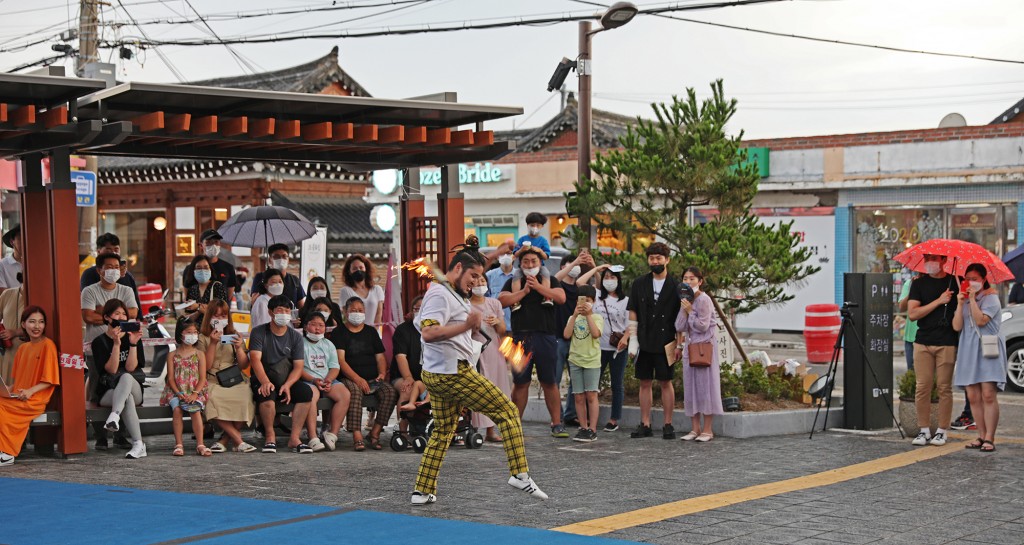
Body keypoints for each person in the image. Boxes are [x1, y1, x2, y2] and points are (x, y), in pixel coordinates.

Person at [410, 247, 547, 505]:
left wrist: (508, 349)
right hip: (452, 372)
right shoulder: (440, 294)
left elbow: (473, 335)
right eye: (473, 276)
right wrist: (465, 325)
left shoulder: (457, 296)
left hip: (442, 371)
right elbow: (428, 333)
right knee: (507, 410)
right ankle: (519, 473)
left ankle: (422, 490)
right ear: (458, 269)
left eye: (479, 277)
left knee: (443, 431)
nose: (475, 282)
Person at [498, 246, 567, 437]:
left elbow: (561, 298)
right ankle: (515, 426)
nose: (530, 265)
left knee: (549, 381)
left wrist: (539, 288)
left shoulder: (550, 280)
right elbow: (501, 300)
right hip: (519, 337)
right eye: (526, 261)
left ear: (540, 263)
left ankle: (556, 423)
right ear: (520, 264)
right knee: (520, 382)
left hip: (546, 336)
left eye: (534, 261)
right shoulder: (514, 281)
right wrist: (525, 291)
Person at [627, 242, 681, 440]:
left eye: (659, 258)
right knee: (644, 382)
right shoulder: (639, 283)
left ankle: (668, 424)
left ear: (667, 260)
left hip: (667, 341)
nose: (655, 261)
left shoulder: (676, 286)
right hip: (643, 339)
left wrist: (680, 343)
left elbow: (681, 317)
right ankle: (645, 423)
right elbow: (632, 310)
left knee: (666, 381)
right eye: (652, 258)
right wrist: (633, 338)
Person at [248, 295, 315, 454]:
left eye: (287, 311)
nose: (284, 314)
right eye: (280, 310)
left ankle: (295, 438)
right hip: (263, 377)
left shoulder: (295, 336)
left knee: (306, 393)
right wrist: (264, 381)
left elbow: (298, 366)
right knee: (266, 393)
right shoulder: (259, 332)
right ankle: (270, 436)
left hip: (286, 378)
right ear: (271, 312)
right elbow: (255, 359)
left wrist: (288, 385)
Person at [907, 253, 959, 447]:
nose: (930, 262)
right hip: (923, 341)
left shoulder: (955, 282)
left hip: (947, 341)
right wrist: (939, 301)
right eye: (927, 258)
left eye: (934, 258)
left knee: (944, 387)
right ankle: (923, 430)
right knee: (923, 386)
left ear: (944, 261)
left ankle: (942, 430)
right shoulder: (918, 284)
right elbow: (913, 314)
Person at [952, 264, 1005, 453]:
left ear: (983, 279)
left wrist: (972, 300)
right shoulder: (964, 299)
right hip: (968, 349)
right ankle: (981, 435)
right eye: (968, 278)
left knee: (988, 394)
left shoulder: (991, 298)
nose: (971, 282)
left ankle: (990, 437)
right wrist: (960, 303)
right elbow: (957, 326)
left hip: (987, 349)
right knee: (973, 396)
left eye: (975, 278)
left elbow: (981, 320)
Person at [332, 297, 397, 451]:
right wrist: (358, 379)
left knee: (389, 392)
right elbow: (340, 360)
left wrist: (381, 374)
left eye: (360, 310)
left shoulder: (371, 332)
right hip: (349, 377)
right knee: (354, 391)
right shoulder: (339, 332)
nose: (357, 313)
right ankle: (357, 435)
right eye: (353, 310)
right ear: (345, 312)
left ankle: (374, 433)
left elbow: (380, 356)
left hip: (373, 378)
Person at [0, 307, 59, 466]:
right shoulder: (23, 348)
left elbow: (50, 380)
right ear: (23, 325)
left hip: (36, 399)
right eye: (32, 322)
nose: (37, 326)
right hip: (20, 396)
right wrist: (6, 390)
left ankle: (8, 453)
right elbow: (17, 382)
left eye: (41, 322)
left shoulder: (48, 345)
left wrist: (30, 391)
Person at [90, 299, 147, 459]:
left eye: (124, 314)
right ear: (107, 317)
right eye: (117, 314)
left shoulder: (133, 337)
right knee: (126, 398)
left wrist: (133, 344)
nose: (121, 317)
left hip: (134, 387)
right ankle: (138, 444)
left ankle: (114, 416)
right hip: (109, 390)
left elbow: (130, 368)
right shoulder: (99, 342)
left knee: (127, 377)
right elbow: (112, 370)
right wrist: (116, 344)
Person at [576, 264, 630, 432]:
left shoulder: (625, 300)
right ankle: (587, 420)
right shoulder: (597, 295)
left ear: (619, 280)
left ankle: (614, 419)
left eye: (612, 277)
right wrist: (597, 268)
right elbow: (580, 282)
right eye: (606, 277)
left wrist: (626, 339)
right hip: (597, 348)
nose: (609, 280)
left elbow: (631, 324)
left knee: (617, 384)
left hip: (617, 349)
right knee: (592, 385)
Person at [198, 300, 257, 453]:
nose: (219, 319)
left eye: (223, 315)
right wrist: (212, 343)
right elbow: (206, 366)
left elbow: (244, 365)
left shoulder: (234, 334)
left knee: (245, 396)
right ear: (209, 316)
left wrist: (239, 348)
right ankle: (238, 441)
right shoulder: (202, 337)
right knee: (212, 399)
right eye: (216, 315)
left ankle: (224, 439)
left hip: (233, 377)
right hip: (211, 378)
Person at [675, 267, 724, 442]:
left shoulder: (704, 300)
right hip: (690, 348)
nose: (688, 282)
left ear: (700, 281)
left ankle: (708, 430)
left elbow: (703, 326)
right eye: (685, 279)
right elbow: (679, 326)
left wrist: (690, 311)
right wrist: (684, 308)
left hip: (704, 348)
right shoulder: (685, 300)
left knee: (706, 388)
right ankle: (694, 428)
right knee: (691, 389)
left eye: (692, 279)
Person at [552, 252, 594, 428]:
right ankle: (556, 416)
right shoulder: (557, 286)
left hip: (576, 339)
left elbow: (595, 286)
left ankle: (570, 414)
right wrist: (575, 261)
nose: (575, 267)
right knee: (555, 379)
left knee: (575, 381)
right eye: (570, 264)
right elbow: (556, 277)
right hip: (557, 339)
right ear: (564, 266)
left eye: (577, 264)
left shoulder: (578, 287)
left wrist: (594, 266)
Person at [160, 319, 211, 457]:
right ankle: (178, 444)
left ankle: (200, 444)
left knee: (195, 411)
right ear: (180, 334)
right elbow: (170, 378)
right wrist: (179, 393)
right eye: (189, 332)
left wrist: (195, 393)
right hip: (176, 391)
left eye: (195, 332)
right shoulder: (172, 355)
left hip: (195, 390)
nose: (193, 335)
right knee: (177, 410)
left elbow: (202, 378)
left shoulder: (200, 354)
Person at [299, 312, 350, 452]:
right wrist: (314, 380)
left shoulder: (328, 344)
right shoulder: (300, 344)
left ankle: (332, 434)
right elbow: (298, 368)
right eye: (313, 325)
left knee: (344, 394)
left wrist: (329, 379)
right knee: (310, 397)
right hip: (308, 381)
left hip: (328, 380)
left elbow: (335, 366)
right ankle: (313, 437)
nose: (317, 329)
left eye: (321, 325)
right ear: (305, 327)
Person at [470, 277, 511, 443]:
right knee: (478, 388)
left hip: (494, 349)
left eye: (482, 281)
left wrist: (497, 322)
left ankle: (490, 430)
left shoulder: (494, 303)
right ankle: (472, 427)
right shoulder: (465, 304)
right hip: (475, 350)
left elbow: (502, 330)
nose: (480, 285)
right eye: (475, 282)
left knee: (496, 386)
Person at [564, 285, 603, 442]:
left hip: (592, 361)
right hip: (575, 360)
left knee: (591, 395)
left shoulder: (597, 318)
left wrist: (588, 315)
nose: (584, 304)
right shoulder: (572, 317)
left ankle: (592, 429)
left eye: (588, 301)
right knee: (578, 396)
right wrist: (574, 316)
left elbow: (595, 334)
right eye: (581, 301)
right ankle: (583, 426)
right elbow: (566, 334)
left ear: (593, 301)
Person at [81, 253, 139, 343]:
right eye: (109, 267)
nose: (114, 270)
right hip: (96, 347)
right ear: (99, 271)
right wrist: (121, 316)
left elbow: (133, 313)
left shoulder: (127, 290)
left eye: (116, 267)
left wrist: (103, 310)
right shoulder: (89, 291)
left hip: (122, 345)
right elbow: (89, 317)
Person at [80, 233, 141, 308]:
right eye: (108, 250)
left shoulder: (127, 276)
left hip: (124, 319)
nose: (113, 253)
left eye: (116, 249)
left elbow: (135, 307)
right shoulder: (89, 274)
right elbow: (91, 305)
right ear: (99, 251)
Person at [392, 296, 428, 419]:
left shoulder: (436, 330)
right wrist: (408, 377)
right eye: (417, 309)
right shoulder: (403, 330)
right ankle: (402, 432)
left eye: (424, 308)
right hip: (402, 375)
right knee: (408, 389)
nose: (420, 311)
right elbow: (400, 356)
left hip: (430, 378)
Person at [186, 229, 237, 304]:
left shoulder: (228, 267)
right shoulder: (190, 268)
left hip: (220, 313)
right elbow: (187, 294)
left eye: (216, 242)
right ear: (201, 245)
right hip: (196, 314)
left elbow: (229, 294)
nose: (213, 245)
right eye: (208, 242)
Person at [250, 244, 305, 308]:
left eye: (284, 256)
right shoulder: (261, 277)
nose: (281, 259)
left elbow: (301, 308)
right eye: (277, 257)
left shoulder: (294, 280)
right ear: (270, 260)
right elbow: (254, 302)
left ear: (288, 260)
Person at [338, 254, 384, 327]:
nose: (358, 270)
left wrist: (373, 332)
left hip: (374, 333)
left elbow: (379, 313)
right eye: (354, 268)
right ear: (349, 271)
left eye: (361, 267)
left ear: (366, 268)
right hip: (354, 333)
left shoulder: (377, 289)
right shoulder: (345, 291)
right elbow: (347, 315)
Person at [182, 255, 229, 324]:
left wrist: (198, 307)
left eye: (206, 267)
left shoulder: (217, 286)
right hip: (197, 331)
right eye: (198, 268)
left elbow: (220, 312)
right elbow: (189, 315)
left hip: (213, 330)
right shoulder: (193, 289)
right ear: (193, 271)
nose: (202, 271)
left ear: (210, 269)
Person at [0, 276, 25, 382]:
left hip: (25, 353)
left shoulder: (41, 297)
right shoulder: (7, 294)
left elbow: (43, 326)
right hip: (6, 352)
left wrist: (15, 332)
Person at [486, 247, 515, 330]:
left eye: (509, 253)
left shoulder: (519, 276)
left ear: (514, 256)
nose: (505, 256)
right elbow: (484, 300)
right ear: (497, 256)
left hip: (515, 327)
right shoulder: (489, 276)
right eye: (502, 254)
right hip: (495, 327)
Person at [0, 224, 22, 295]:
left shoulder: (35, 264)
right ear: (12, 242)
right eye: (20, 238)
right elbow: (3, 292)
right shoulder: (3, 265)